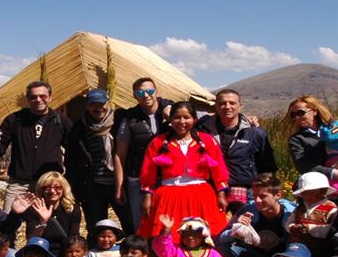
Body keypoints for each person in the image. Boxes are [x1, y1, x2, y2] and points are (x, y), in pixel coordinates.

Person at [136, 101, 229, 240]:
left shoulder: (207, 141)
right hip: (169, 196)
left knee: (203, 237)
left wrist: (221, 194)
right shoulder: (158, 142)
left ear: (195, 119)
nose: (182, 121)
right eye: (177, 117)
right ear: (170, 120)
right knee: (170, 236)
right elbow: (148, 172)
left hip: (202, 196)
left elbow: (219, 169)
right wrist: (147, 197)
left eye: (187, 117)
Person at [0, 81, 72, 209]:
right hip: (19, 183)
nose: (38, 100)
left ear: (50, 97)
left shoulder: (60, 121)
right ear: (28, 99)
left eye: (42, 96)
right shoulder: (15, 120)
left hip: (48, 185)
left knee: (44, 225)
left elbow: (73, 149)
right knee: (8, 222)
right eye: (33, 97)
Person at [197, 89, 276, 213]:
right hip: (213, 189)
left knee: (245, 229)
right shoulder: (202, 130)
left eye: (232, 103)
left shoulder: (255, 133)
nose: (227, 107)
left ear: (240, 106)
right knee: (214, 230)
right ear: (216, 106)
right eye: (222, 103)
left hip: (246, 190)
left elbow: (267, 165)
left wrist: (264, 191)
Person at [216, 173, 294, 257]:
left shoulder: (291, 214)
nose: (257, 200)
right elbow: (219, 239)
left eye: (263, 196)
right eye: (255, 195)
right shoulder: (248, 209)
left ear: (278, 195)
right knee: (224, 248)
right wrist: (236, 229)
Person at [113, 77, 172, 232]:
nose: (146, 95)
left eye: (150, 91)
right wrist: (119, 185)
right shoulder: (130, 119)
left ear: (156, 91)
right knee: (141, 223)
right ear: (134, 96)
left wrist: (170, 114)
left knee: (167, 221)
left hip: (168, 177)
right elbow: (120, 154)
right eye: (140, 92)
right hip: (138, 177)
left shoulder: (172, 112)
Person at [65, 89, 129, 228]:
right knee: (95, 226)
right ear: (87, 106)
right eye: (94, 104)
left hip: (119, 183)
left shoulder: (121, 122)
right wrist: (76, 189)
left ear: (108, 103)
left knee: (129, 222)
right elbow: (72, 160)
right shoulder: (79, 128)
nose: (98, 108)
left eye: (102, 104)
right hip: (93, 185)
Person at [286, 95, 338, 187]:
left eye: (301, 113)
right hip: (319, 186)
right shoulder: (297, 139)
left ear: (314, 111)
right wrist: (332, 173)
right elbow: (302, 165)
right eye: (293, 115)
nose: (297, 117)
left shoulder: (337, 128)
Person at [20, 172, 82, 251]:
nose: (52, 191)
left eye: (57, 187)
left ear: (64, 189)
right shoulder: (34, 209)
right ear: (41, 189)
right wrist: (42, 222)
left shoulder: (72, 209)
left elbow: (74, 238)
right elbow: (31, 240)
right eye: (47, 187)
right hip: (41, 253)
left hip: (64, 252)